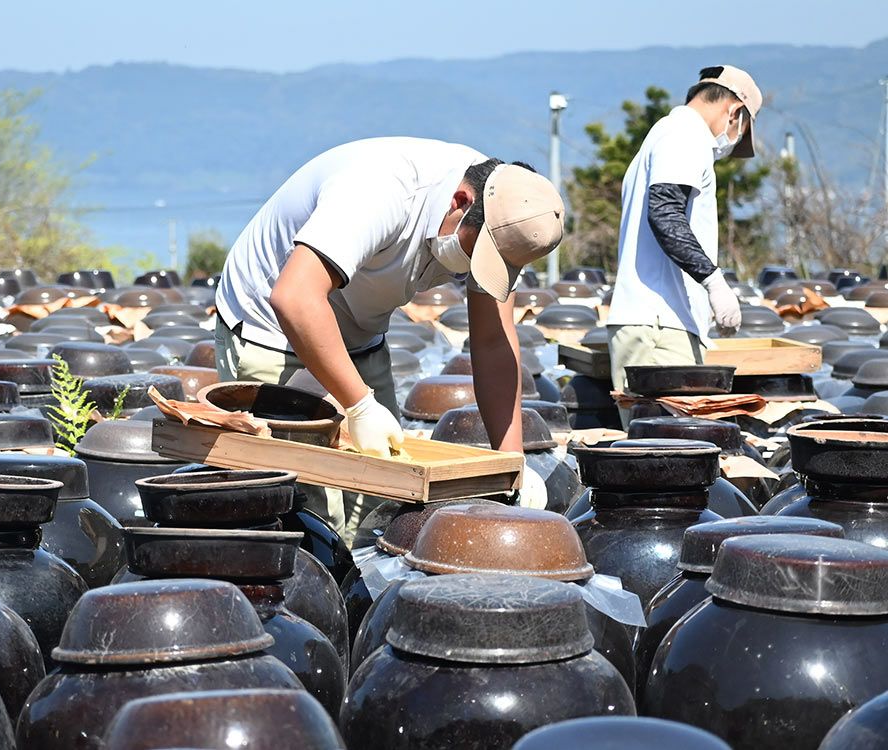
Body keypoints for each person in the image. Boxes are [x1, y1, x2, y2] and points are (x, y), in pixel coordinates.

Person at [214, 137, 564, 536]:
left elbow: (492, 342)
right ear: (460, 202)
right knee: (306, 510)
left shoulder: (511, 212)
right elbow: (294, 297)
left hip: (360, 332)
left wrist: (510, 464)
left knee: (383, 509)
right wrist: (360, 405)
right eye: (475, 253)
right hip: (272, 329)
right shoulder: (381, 189)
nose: (471, 268)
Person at [608, 65, 762, 418]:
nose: (733, 140)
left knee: (656, 442)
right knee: (665, 443)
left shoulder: (668, 133)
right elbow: (665, 213)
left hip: (656, 323)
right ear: (735, 112)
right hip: (659, 326)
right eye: (741, 130)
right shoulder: (685, 134)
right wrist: (714, 282)